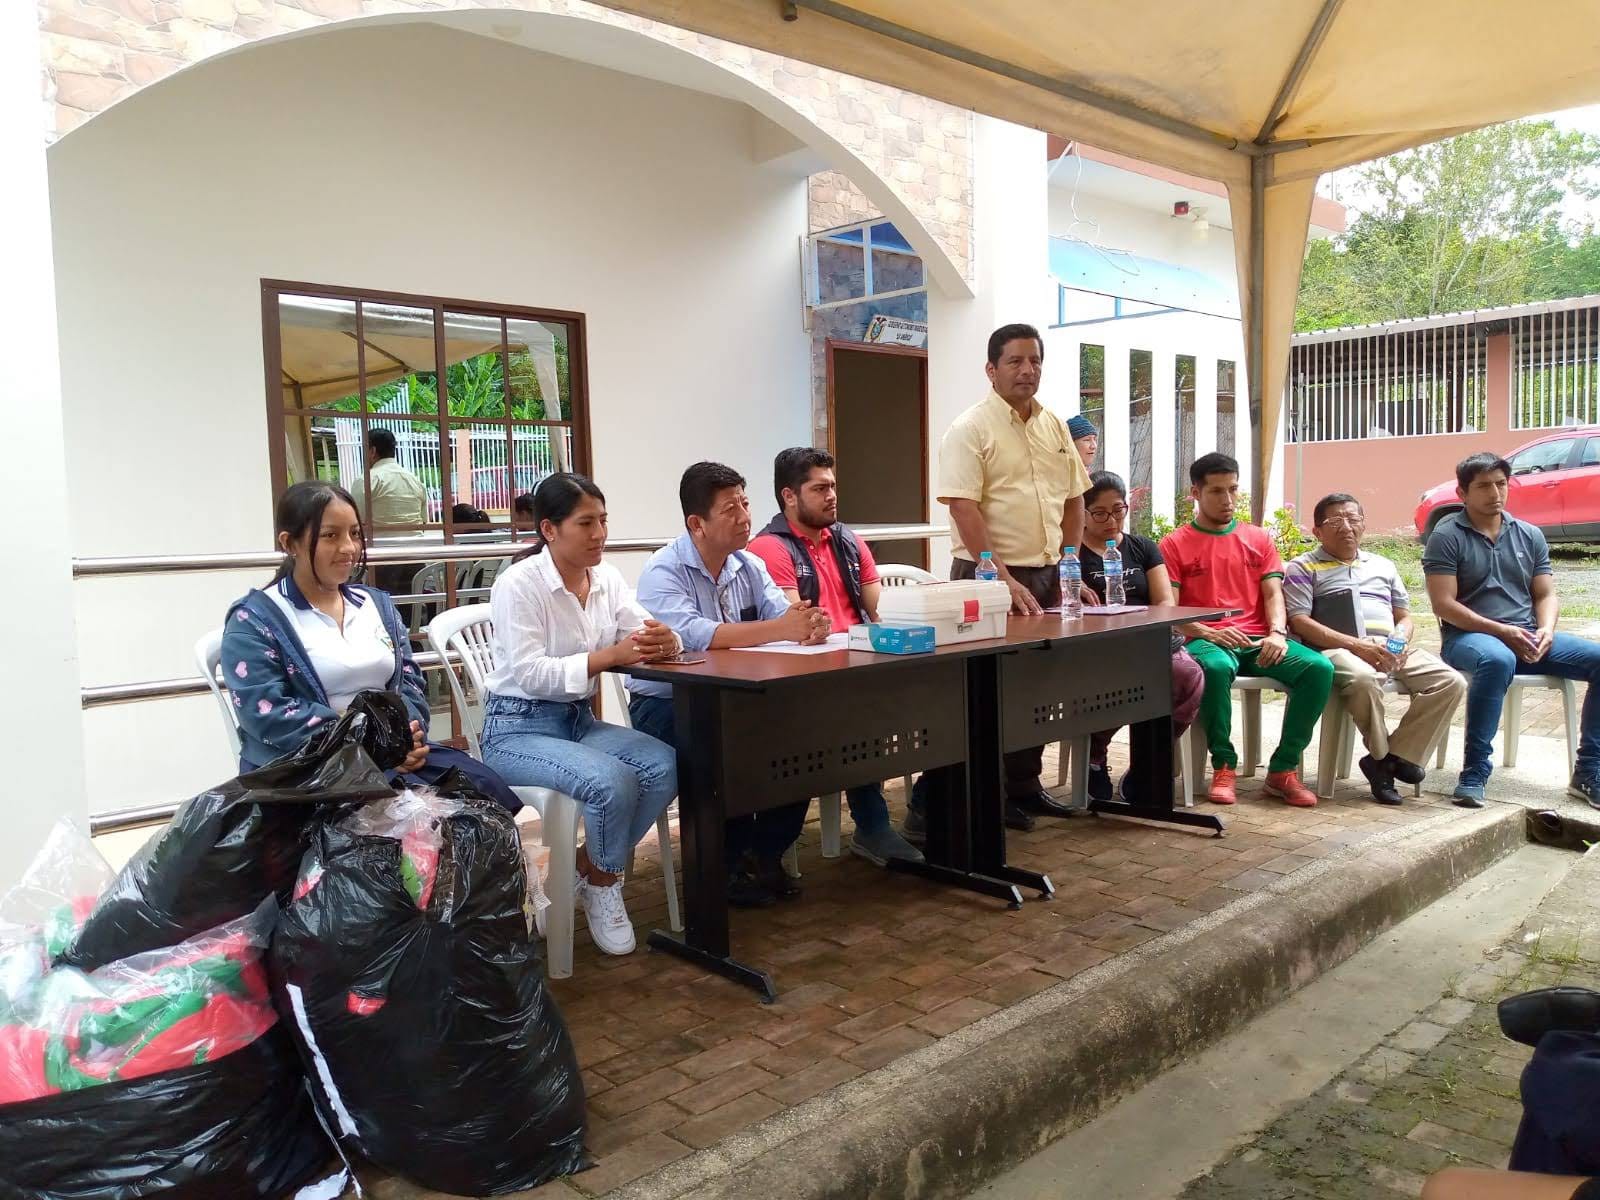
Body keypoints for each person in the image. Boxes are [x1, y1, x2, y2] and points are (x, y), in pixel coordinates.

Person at [220, 480, 518, 811]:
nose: (348, 547)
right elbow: (267, 713)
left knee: (486, 794)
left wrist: (406, 737)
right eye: (330, 535)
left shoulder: (376, 605)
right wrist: (374, 742)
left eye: (354, 533)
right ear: (289, 543)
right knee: (409, 826)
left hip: (393, 757)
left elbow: (410, 681)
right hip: (308, 772)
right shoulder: (254, 620)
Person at [477, 472, 681, 955]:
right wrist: (609, 657)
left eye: (603, 521)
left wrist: (665, 639)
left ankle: (589, 870)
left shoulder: (606, 578)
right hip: (515, 729)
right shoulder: (519, 584)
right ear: (549, 529)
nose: (599, 534)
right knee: (610, 781)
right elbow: (530, 674)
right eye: (586, 523)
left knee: (665, 764)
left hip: (575, 721)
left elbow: (639, 630)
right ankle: (605, 885)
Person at [914, 322, 1092, 832]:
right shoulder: (970, 428)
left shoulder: (1054, 425)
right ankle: (937, 802)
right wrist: (1001, 577)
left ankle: (1022, 785)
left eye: (1034, 360)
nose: (1026, 370)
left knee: (1039, 689)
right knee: (979, 694)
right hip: (985, 577)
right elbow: (963, 507)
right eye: (1015, 361)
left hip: (1047, 575)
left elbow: (1074, 500)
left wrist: (1070, 564)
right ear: (991, 370)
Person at [631, 462, 834, 906]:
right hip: (670, 704)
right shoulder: (663, 571)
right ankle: (722, 867)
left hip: (738, 696)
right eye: (730, 509)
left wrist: (809, 624)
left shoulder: (748, 564)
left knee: (807, 741)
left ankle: (763, 854)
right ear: (696, 523)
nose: (745, 517)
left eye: (745, 503)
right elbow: (693, 635)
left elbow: (784, 616)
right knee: (729, 749)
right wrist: (781, 628)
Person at [747, 447, 926, 867]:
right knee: (857, 714)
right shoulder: (770, 547)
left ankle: (928, 809)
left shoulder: (846, 539)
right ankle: (873, 827)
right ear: (789, 496)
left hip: (858, 662)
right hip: (805, 677)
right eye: (819, 488)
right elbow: (799, 622)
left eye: (833, 486)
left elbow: (878, 608)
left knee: (942, 702)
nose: (832, 496)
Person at [1424, 451, 1600, 808]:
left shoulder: (1529, 534)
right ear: (1462, 493)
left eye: (1501, 484)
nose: (1495, 493)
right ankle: (1474, 772)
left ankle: (1588, 771)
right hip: (1467, 639)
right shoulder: (1446, 536)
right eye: (1483, 486)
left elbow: (1545, 594)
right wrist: (1503, 632)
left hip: (1526, 636)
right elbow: (1444, 605)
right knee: (1497, 659)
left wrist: (1546, 629)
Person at [1159, 452, 1332, 807]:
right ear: (1196, 493)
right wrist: (1209, 632)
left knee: (1319, 668)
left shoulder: (1258, 539)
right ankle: (1224, 765)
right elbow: (1170, 612)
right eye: (1217, 491)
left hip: (1257, 639)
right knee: (1216, 667)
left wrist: (1277, 632)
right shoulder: (1174, 544)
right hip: (1204, 639)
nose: (1228, 499)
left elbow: (1273, 594)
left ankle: (1283, 769)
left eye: (1233, 490)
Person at [1285, 493, 1465, 806]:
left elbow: (1404, 617)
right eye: (1335, 521)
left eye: (1353, 519)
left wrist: (1396, 644)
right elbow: (1299, 622)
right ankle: (1382, 759)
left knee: (1451, 681)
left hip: (1388, 647)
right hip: (1337, 649)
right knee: (1364, 679)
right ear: (1317, 531)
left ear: (1363, 525)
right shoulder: (1303, 567)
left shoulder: (1383, 565)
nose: (1346, 527)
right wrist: (1357, 646)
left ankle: (1395, 757)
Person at [1075, 471, 1205, 803]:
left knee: (1188, 675)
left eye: (1118, 510)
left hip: (1146, 639)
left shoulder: (1142, 547)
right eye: (1100, 513)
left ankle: (1148, 761)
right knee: (1112, 684)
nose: (1111, 520)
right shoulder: (1071, 555)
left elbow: (1165, 602)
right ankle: (1095, 755)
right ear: (1082, 513)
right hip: (1097, 646)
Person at [353, 427, 429, 594]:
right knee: (412, 605)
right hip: (415, 557)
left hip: (381, 559)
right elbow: (423, 522)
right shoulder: (414, 480)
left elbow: (355, 523)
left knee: (381, 604)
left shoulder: (367, 480)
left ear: (372, 451)